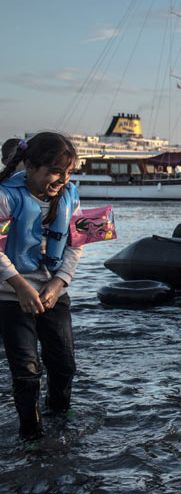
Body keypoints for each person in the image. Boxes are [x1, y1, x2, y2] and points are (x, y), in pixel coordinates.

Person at [0, 132, 82, 439]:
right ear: (31, 167)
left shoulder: (71, 195)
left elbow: (76, 245)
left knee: (63, 363)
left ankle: (60, 411)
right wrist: (20, 286)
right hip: (10, 296)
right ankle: (30, 433)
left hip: (53, 294)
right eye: (55, 172)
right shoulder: (5, 195)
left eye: (68, 173)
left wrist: (59, 282)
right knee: (26, 371)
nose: (62, 179)